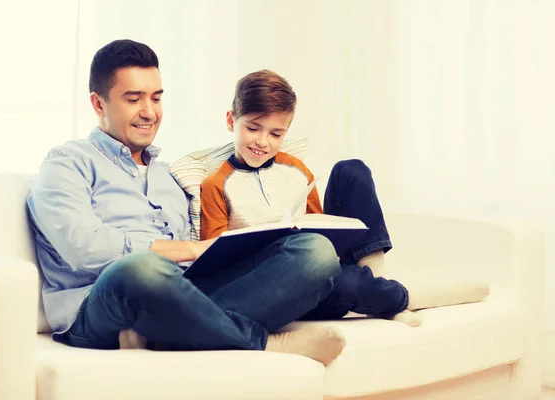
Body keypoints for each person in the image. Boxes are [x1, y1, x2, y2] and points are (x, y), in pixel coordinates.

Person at [27, 39, 348, 366]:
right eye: (133, 99)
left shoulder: (173, 175)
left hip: (186, 293)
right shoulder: (67, 162)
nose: (149, 112)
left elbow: (206, 253)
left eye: (156, 98)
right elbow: (85, 249)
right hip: (99, 304)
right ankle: (263, 343)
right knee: (139, 270)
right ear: (98, 103)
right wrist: (190, 249)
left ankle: (170, 333)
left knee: (314, 252)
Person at [200, 70, 490, 326]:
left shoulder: (296, 169)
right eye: (253, 128)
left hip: (324, 262)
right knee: (343, 282)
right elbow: (217, 259)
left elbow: (315, 222)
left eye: (276, 134)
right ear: (231, 120)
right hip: (285, 286)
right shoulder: (216, 185)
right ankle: (398, 298)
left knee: (351, 170)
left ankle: (378, 285)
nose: (263, 142)